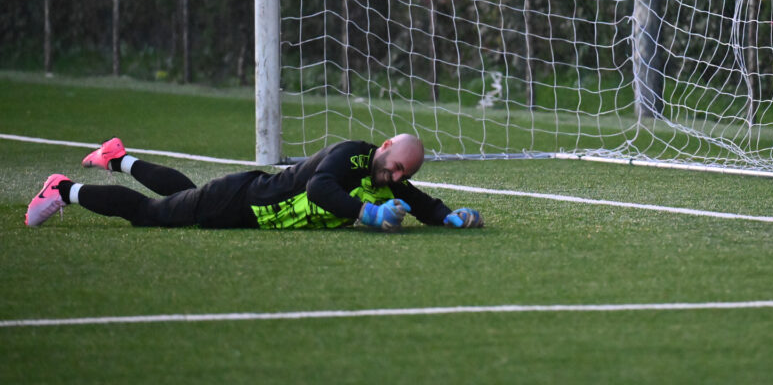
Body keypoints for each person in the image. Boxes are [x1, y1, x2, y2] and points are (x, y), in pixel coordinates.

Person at [24, 134, 483, 232]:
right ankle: (62, 189)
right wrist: (368, 214)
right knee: (150, 215)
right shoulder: (352, 155)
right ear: (385, 146)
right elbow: (320, 190)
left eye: (405, 173)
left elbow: (417, 200)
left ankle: (118, 158)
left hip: (241, 196)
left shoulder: (389, 177)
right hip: (239, 203)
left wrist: (449, 218)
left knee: (180, 191)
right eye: (397, 166)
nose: (397, 177)